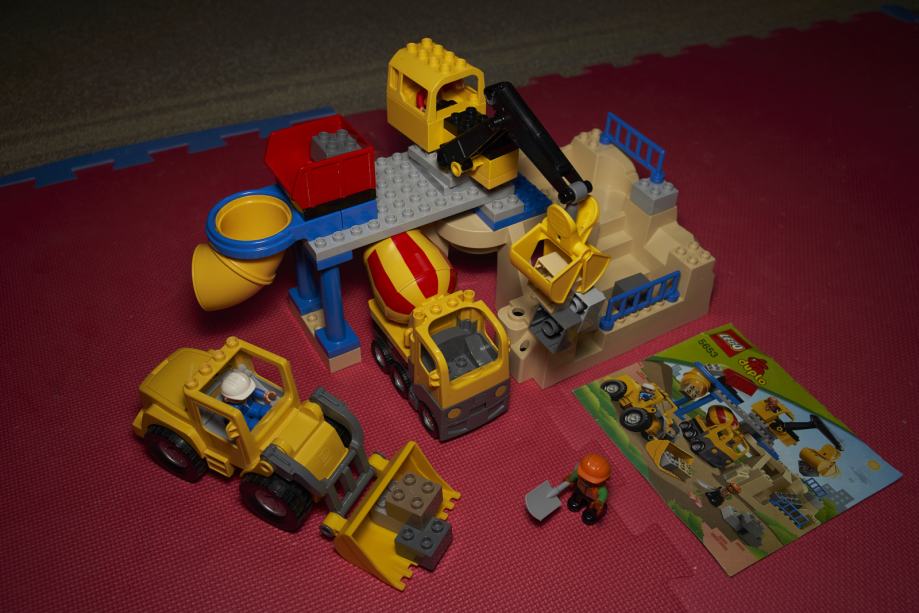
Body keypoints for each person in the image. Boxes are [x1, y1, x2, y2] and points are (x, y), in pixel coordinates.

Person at [565, 453, 611, 525]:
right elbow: (574, 475)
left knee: (594, 509)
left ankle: (591, 512)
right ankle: (577, 501)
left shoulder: (601, 488)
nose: (586, 482)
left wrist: (599, 502)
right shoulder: (579, 474)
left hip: (593, 500)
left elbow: (603, 494)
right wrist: (569, 480)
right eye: (584, 478)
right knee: (577, 497)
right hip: (580, 491)